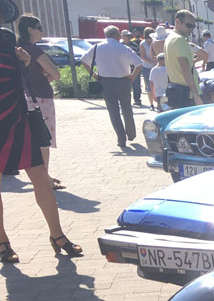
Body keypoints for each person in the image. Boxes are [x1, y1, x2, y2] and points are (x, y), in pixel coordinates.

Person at [0, 28, 82, 263]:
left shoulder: (5, 37)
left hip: (18, 119)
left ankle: (57, 235)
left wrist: (25, 63)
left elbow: (18, 80)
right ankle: (2, 242)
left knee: (41, 179)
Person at [15, 14, 64, 189]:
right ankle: (44, 179)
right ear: (30, 30)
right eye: (39, 28)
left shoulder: (16, 49)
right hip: (40, 98)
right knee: (43, 140)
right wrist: (45, 78)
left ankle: (42, 177)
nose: (42, 32)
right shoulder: (34, 50)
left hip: (22, 97)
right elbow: (56, 74)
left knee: (32, 139)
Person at [81, 25, 142, 148]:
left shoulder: (97, 47)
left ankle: (121, 139)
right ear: (117, 35)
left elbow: (84, 60)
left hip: (106, 82)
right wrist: (132, 77)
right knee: (126, 109)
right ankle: (131, 133)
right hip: (123, 81)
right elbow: (139, 63)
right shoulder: (124, 48)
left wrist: (94, 75)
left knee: (113, 111)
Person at [164, 10, 203, 110]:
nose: (191, 29)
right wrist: (195, 94)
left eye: (193, 26)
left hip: (177, 91)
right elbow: (185, 68)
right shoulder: (179, 40)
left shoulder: (170, 38)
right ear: (177, 21)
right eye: (189, 25)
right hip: (187, 94)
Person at [120, 30, 143, 106]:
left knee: (136, 85)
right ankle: (125, 100)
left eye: (129, 35)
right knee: (124, 85)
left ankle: (137, 100)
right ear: (122, 37)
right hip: (123, 69)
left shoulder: (135, 45)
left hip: (134, 68)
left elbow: (139, 56)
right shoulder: (119, 46)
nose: (129, 37)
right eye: (127, 36)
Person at [139, 26, 157, 100]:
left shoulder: (155, 42)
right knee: (150, 86)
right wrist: (152, 62)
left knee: (157, 85)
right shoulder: (143, 44)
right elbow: (143, 57)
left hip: (156, 66)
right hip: (147, 67)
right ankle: (151, 103)